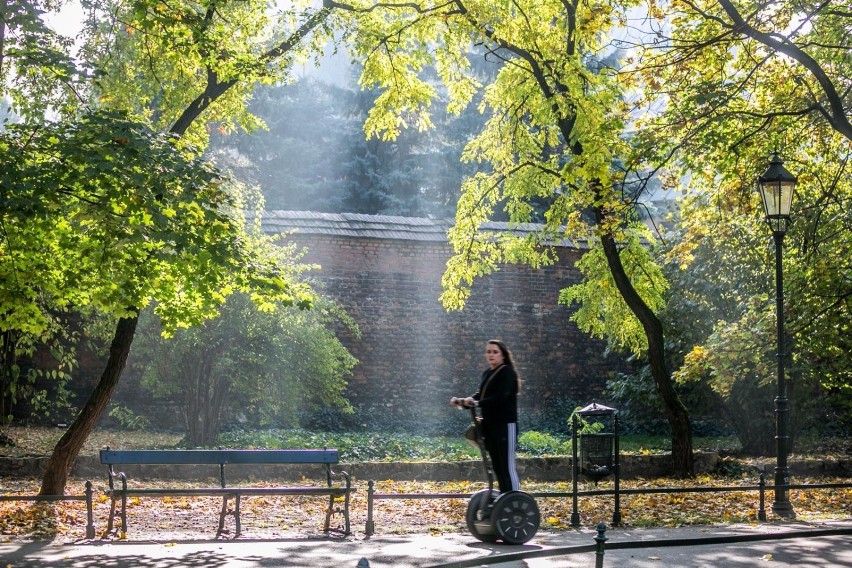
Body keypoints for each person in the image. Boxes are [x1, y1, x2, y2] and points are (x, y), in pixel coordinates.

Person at [450, 339, 521, 494]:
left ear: (503, 355)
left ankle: (515, 499)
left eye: (495, 352)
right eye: (488, 352)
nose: (491, 355)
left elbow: (500, 397)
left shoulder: (508, 373)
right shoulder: (487, 373)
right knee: (497, 466)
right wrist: (464, 401)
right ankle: (504, 499)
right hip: (491, 425)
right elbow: (480, 395)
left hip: (505, 425)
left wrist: (477, 403)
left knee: (507, 466)